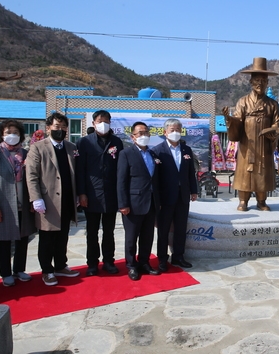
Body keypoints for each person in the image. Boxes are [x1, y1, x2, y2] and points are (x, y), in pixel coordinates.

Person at [222, 57, 279, 211]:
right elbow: (237, 120)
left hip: (264, 145)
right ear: (250, 82)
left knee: (262, 174)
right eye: (256, 80)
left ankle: (261, 201)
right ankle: (243, 201)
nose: (259, 84)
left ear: (267, 83)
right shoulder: (243, 101)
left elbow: (278, 123)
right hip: (247, 145)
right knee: (245, 174)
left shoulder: (272, 104)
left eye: (263, 80)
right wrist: (229, 119)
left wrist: (273, 132)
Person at [26, 112, 80, 286]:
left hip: (67, 199)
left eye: (64, 127)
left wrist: (77, 194)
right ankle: (47, 270)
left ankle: (60, 265)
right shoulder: (38, 147)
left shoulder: (71, 147)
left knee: (63, 235)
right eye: (57, 127)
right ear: (48, 128)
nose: (61, 130)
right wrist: (36, 198)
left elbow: (76, 173)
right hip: (47, 201)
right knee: (47, 238)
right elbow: (32, 175)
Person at [0, 119, 36, 287]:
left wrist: (32, 200)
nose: (11, 136)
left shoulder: (26, 154)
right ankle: (5, 273)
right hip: (3, 204)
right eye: (8, 132)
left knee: (23, 238)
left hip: (23, 203)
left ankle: (19, 269)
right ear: (1, 135)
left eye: (15, 132)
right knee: (3, 240)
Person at [76, 110, 124, 276]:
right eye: (99, 120)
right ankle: (92, 264)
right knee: (92, 231)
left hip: (111, 194)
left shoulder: (117, 142)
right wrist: (82, 193)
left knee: (109, 231)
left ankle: (109, 261)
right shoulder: (84, 143)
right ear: (93, 123)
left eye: (106, 121)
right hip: (91, 194)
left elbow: (121, 170)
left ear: (110, 123)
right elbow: (80, 170)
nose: (103, 123)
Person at [117, 122, 161, 281]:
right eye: (140, 133)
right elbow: (121, 181)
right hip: (133, 204)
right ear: (133, 137)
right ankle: (131, 265)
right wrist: (123, 204)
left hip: (151, 203)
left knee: (147, 236)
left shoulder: (153, 154)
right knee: (131, 238)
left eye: (146, 133)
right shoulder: (126, 154)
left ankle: (144, 263)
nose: (144, 136)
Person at [153, 119, 198, 271]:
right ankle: (162, 259)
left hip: (183, 196)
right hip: (165, 198)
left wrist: (193, 190)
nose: (175, 132)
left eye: (178, 129)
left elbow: (191, 172)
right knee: (163, 230)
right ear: (165, 132)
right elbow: (156, 178)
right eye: (172, 130)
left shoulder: (186, 150)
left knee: (180, 228)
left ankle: (178, 257)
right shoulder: (158, 151)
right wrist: (156, 198)